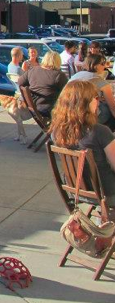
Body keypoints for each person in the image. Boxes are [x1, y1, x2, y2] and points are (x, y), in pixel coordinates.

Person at [50, 80, 115, 209]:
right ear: (86, 103)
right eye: (96, 98)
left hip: (76, 191)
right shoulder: (99, 131)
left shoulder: (56, 131)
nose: (98, 101)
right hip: (107, 194)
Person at [69, 54, 115, 130]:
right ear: (95, 66)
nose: (105, 66)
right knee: (109, 110)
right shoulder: (99, 81)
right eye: (103, 63)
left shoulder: (76, 76)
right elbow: (113, 107)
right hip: (89, 118)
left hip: (70, 115)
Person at [17, 50, 67, 119]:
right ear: (58, 62)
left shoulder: (33, 70)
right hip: (47, 110)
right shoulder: (59, 75)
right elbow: (67, 92)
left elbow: (20, 82)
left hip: (32, 107)